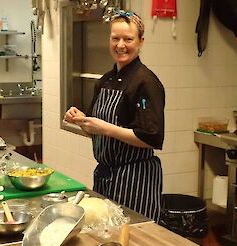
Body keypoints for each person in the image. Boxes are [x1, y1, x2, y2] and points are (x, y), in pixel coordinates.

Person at [64, 10, 165, 222]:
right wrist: (81, 119)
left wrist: (105, 128)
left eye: (128, 39)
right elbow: (96, 130)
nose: (120, 45)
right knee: (106, 238)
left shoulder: (145, 82)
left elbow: (151, 138)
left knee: (135, 240)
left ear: (141, 42)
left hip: (135, 180)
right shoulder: (105, 80)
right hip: (105, 176)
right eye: (115, 38)